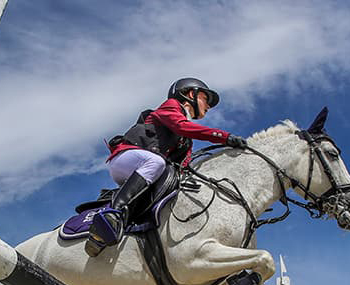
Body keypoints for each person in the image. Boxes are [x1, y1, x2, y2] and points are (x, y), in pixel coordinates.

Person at [86, 77, 248, 257]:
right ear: (189, 94)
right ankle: (114, 213)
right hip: (127, 159)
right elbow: (181, 126)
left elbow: (183, 167)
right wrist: (224, 137)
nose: (208, 106)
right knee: (157, 162)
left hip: (147, 173)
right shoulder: (171, 106)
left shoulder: (185, 142)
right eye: (205, 98)